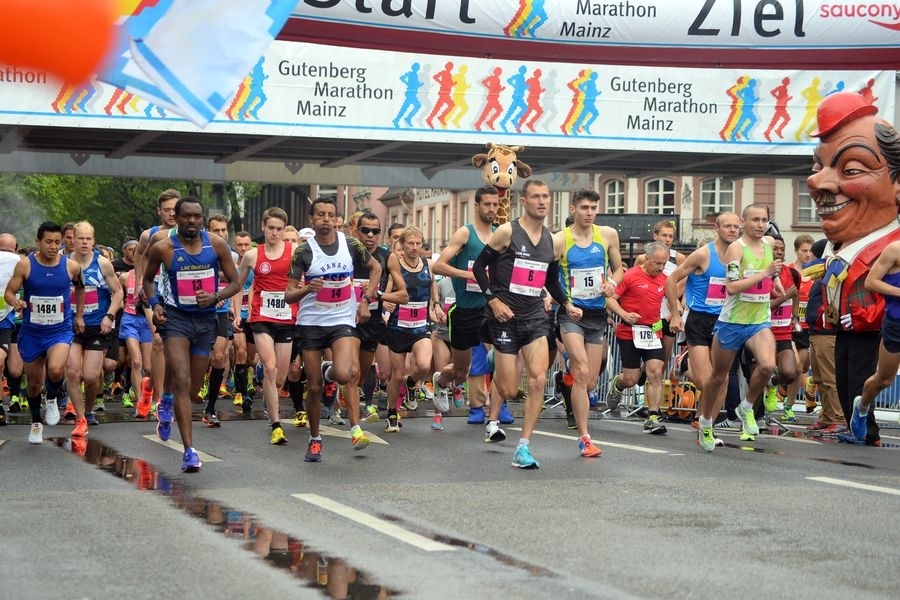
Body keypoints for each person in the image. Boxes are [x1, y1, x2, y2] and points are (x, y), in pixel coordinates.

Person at [806, 91, 900, 447]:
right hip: (842, 328)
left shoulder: (888, 248)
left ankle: (868, 430)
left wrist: (860, 314)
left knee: (865, 375)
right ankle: (854, 425)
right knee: (844, 378)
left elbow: (874, 287)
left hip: (871, 330)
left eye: (852, 169)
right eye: (819, 166)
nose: (818, 182)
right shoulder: (838, 249)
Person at [472, 179, 570, 469]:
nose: (542, 201)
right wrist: (493, 300)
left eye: (546, 197)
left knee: (538, 378)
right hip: (504, 318)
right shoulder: (506, 232)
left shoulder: (555, 241)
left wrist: (566, 303)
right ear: (523, 202)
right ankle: (496, 361)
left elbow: (550, 279)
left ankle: (524, 446)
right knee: (511, 389)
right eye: (535, 197)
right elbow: (479, 267)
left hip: (534, 318)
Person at [142, 197, 241, 472]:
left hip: (206, 321)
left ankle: (169, 399)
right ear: (177, 217)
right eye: (187, 216)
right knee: (182, 378)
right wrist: (155, 305)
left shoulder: (216, 245)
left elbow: (235, 282)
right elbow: (147, 281)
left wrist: (216, 297)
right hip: (175, 320)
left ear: (203, 218)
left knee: (193, 389)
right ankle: (189, 451)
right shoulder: (163, 248)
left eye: (197, 216)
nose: (192, 221)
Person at [285, 197, 382, 461]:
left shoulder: (350, 244)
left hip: (341, 319)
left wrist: (365, 300)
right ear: (312, 219)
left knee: (346, 373)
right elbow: (288, 294)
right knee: (314, 386)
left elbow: (376, 268)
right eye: (320, 215)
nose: (325, 219)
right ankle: (315, 439)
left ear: (336, 219)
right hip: (311, 323)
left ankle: (356, 430)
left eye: (330, 215)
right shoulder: (303, 252)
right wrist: (307, 288)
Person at [696, 204, 782, 451]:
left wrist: (774, 280)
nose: (760, 224)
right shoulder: (736, 248)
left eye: (764, 219)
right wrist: (765, 273)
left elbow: (770, 268)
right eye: (755, 219)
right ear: (744, 222)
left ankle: (745, 407)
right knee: (718, 377)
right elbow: (732, 287)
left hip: (758, 320)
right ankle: (706, 423)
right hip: (732, 321)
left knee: (767, 366)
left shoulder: (767, 243)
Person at [552, 189, 623, 456]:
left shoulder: (607, 235)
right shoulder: (560, 240)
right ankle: (585, 438)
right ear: (573, 209)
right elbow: (549, 276)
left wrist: (612, 284)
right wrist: (564, 303)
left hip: (596, 315)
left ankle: (564, 378)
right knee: (581, 371)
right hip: (571, 314)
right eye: (584, 208)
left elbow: (619, 268)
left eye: (593, 207)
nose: (589, 212)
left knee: (590, 381)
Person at [4, 222, 85, 444]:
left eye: (57, 242)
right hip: (32, 332)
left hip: (59, 329)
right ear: (38, 242)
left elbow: (80, 288)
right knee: (32, 384)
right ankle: (36, 422)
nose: (53, 246)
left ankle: (51, 398)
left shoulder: (71, 267)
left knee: (57, 369)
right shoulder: (25, 265)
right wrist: (16, 301)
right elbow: (9, 293)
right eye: (48, 242)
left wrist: (78, 316)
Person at [431, 185, 501, 425]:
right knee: (461, 371)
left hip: (490, 307)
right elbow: (438, 266)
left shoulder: (499, 235)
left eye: (495, 204)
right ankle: (441, 382)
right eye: (487, 204)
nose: (492, 208)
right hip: (465, 311)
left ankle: (494, 418)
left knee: (507, 354)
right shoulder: (465, 233)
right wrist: (470, 275)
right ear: (477, 205)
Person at [666, 213, 742, 426]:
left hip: (725, 320)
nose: (733, 230)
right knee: (704, 381)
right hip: (700, 320)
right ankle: (687, 366)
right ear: (716, 228)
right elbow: (671, 280)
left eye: (736, 226)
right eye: (727, 226)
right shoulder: (702, 255)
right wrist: (674, 312)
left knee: (723, 379)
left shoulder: (741, 255)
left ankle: (704, 423)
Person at [233, 207, 298, 444]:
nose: (275, 233)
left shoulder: (294, 252)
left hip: (286, 318)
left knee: (280, 379)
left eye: (279, 229)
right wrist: (236, 312)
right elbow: (238, 285)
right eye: (271, 228)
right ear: (263, 227)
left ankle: (265, 381)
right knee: (270, 369)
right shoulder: (252, 255)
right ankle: (276, 424)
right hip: (261, 317)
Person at [604, 242, 671, 435]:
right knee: (631, 379)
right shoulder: (631, 275)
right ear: (647, 258)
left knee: (655, 372)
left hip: (652, 333)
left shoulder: (664, 279)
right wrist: (624, 314)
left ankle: (653, 416)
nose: (660, 267)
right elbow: (610, 299)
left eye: (664, 263)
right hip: (629, 332)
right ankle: (619, 383)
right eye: (657, 263)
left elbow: (673, 297)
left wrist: (675, 312)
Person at [64, 222, 123, 432]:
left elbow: (118, 293)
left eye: (88, 238)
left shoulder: (103, 263)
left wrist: (109, 315)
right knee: (72, 372)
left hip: (97, 326)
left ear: (93, 240)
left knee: (90, 377)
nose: (84, 242)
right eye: (80, 238)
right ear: (72, 239)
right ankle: (80, 418)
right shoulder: (65, 263)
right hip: (70, 327)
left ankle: (88, 411)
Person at [350, 212, 407, 424]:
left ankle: (353, 399)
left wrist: (379, 294)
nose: (371, 235)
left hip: (373, 320)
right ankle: (356, 426)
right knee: (352, 371)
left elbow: (404, 295)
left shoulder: (387, 257)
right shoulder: (347, 253)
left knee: (362, 374)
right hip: (348, 319)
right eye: (365, 230)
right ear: (357, 231)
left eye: (376, 231)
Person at [382, 226, 438, 433]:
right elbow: (387, 293)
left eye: (418, 243)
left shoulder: (428, 264)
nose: (415, 248)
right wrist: (385, 304)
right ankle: (391, 413)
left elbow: (433, 286)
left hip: (421, 325)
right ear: (402, 246)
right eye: (410, 244)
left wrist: (437, 304)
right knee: (396, 375)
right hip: (398, 326)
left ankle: (412, 382)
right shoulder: (396, 268)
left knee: (423, 365)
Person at [134, 189, 181, 414]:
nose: (172, 214)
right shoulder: (149, 234)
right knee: (159, 341)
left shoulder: (189, 233)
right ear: (159, 211)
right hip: (154, 292)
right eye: (167, 210)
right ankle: (162, 400)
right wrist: (139, 281)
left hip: (178, 294)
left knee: (173, 345)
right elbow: (140, 254)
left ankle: (150, 385)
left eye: (175, 209)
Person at [849, 239, 900, 440]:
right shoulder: (894, 249)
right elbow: (871, 282)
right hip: (896, 323)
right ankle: (861, 407)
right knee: (884, 379)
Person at [200, 213, 237, 426]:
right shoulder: (201, 251)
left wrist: (226, 300)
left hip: (221, 311)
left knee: (219, 357)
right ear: (208, 231)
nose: (222, 234)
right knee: (199, 357)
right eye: (217, 230)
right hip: (200, 311)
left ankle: (210, 408)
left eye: (224, 230)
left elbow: (236, 282)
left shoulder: (230, 254)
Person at [0, 232, 20, 426]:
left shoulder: (21, 266)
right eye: (1, 250)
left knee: (14, 370)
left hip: (6, 322)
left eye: (8, 251)